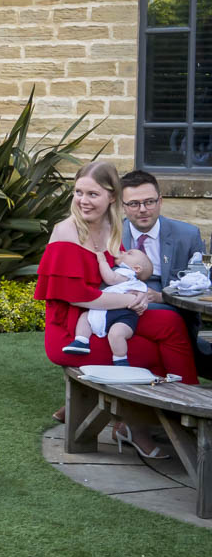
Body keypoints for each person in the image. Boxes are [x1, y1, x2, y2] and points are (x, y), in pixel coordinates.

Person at [35, 161, 197, 456]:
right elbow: (77, 297)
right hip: (72, 331)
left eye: (93, 194)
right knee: (150, 353)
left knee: (172, 325)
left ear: (111, 196)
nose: (83, 201)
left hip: (108, 315)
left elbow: (123, 275)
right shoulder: (66, 232)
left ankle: (191, 412)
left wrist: (141, 295)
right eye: (78, 192)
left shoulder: (113, 228)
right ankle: (136, 424)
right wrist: (129, 300)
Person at [120, 170, 203, 302]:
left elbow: (202, 287)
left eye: (149, 202)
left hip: (169, 308)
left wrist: (162, 297)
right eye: (134, 204)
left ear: (160, 201)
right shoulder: (109, 236)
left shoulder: (188, 236)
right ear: (123, 206)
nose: (142, 209)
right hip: (121, 307)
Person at [63, 249, 152, 366]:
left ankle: (120, 359)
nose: (123, 252)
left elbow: (111, 279)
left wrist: (102, 260)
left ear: (136, 269)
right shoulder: (128, 276)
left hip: (123, 315)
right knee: (85, 317)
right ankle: (81, 341)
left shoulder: (127, 273)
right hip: (105, 310)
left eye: (128, 253)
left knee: (116, 333)